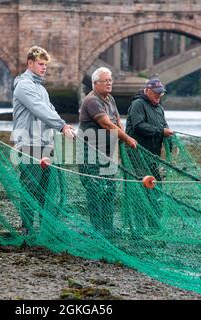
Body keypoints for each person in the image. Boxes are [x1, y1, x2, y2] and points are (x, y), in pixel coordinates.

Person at [12, 46, 76, 235]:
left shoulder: (41, 88)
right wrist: (62, 126)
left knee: (45, 191)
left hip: (45, 145)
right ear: (30, 63)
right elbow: (39, 109)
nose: (44, 68)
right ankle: (27, 229)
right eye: (40, 64)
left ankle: (45, 230)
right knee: (30, 187)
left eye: (45, 65)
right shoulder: (24, 85)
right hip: (29, 144)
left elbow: (51, 110)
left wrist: (66, 126)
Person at [78, 67, 137, 235]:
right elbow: (106, 124)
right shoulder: (92, 101)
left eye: (110, 80)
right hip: (90, 155)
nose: (109, 83)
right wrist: (127, 138)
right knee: (95, 191)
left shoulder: (110, 99)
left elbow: (117, 120)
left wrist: (122, 135)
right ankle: (98, 229)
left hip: (108, 155)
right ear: (95, 83)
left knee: (110, 190)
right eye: (105, 81)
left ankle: (108, 228)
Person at [125, 77, 174, 233]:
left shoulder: (159, 108)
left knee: (155, 191)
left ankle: (153, 227)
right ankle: (139, 229)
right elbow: (139, 126)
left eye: (161, 93)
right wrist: (161, 131)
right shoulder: (138, 104)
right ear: (147, 90)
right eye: (156, 93)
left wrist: (169, 138)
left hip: (153, 157)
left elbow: (164, 126)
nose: (159, 96)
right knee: (141, 191)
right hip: (137, 155)